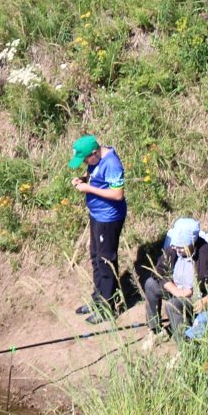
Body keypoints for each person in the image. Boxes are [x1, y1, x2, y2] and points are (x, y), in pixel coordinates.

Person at [141, 218, 208, 340]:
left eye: (181, 246)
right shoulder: (174, 249)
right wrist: (176, 291)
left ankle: (184, 343)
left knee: (171, 305)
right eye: (175, 245)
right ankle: (155, 330)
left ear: (193, 242)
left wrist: (206, 300)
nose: (176, 248)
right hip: (179, 290)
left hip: (198, 298)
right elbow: (159, 271)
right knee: (150, 284)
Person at [70, 134, 127, 320]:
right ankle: (98, 299)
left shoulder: (112, 164)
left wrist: (89, 189)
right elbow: (92, 174)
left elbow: (118, 194)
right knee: (95, 257)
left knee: (106, 261)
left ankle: (107, 309)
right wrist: (83, 179)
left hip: (108, 219)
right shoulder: (96, 159)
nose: (85, 163)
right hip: (97, 216)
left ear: (94, 153)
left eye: (85, 159)